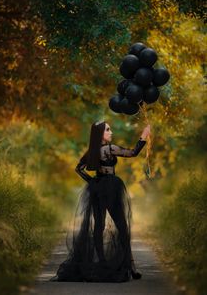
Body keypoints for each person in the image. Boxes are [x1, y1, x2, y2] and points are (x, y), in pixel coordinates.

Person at [51, 121, 151, 283]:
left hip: (98, 188)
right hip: (110, 188)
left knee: (99, 226)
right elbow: (133, 153)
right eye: (108, 130)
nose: (111, 132)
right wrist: (144, 135)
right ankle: (131, 267)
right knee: (122, 226)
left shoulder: (92, 151)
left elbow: (79, 168)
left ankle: (103, 262)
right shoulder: (109, 149)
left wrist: (92, 182)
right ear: (100, 134)